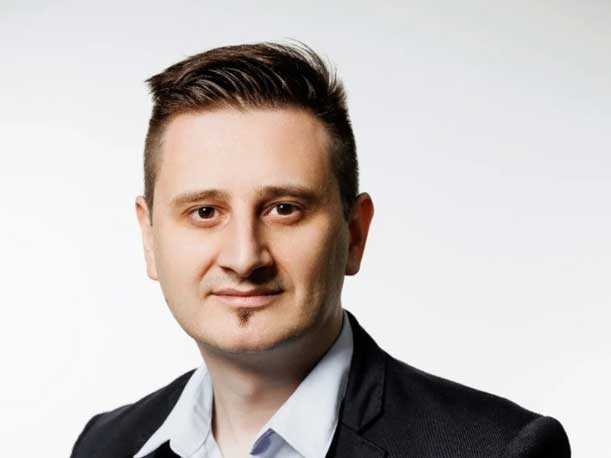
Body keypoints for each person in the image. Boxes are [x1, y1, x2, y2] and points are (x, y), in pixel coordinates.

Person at [71, 42, 570, 458]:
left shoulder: (499, 449)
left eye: (284, 209)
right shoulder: (104, 446)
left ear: (354, 233)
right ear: (150, 238)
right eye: (205, 212)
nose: (244, 258)